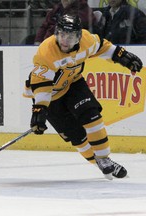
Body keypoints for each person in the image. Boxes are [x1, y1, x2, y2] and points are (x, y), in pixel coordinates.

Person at [24, 14, 143, 179]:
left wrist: (121, 55)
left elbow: (102, 47)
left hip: (73, 83)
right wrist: (39, 110)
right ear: (56, 33)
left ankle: (104, 159)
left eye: (71, 36)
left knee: (91, 116)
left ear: (78, 36)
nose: (65, 40)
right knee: (77, 137)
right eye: (62, 34)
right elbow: (41, 85)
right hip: (51, 96)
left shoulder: (87, 40)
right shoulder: (46, 52)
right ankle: (98, 163)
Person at [34, 0, 98, 45]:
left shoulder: (83, 8)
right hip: (48, 43)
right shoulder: (57, 8)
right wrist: (38, 41)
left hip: (68, 44)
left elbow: (71, 26)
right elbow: (44, 26)